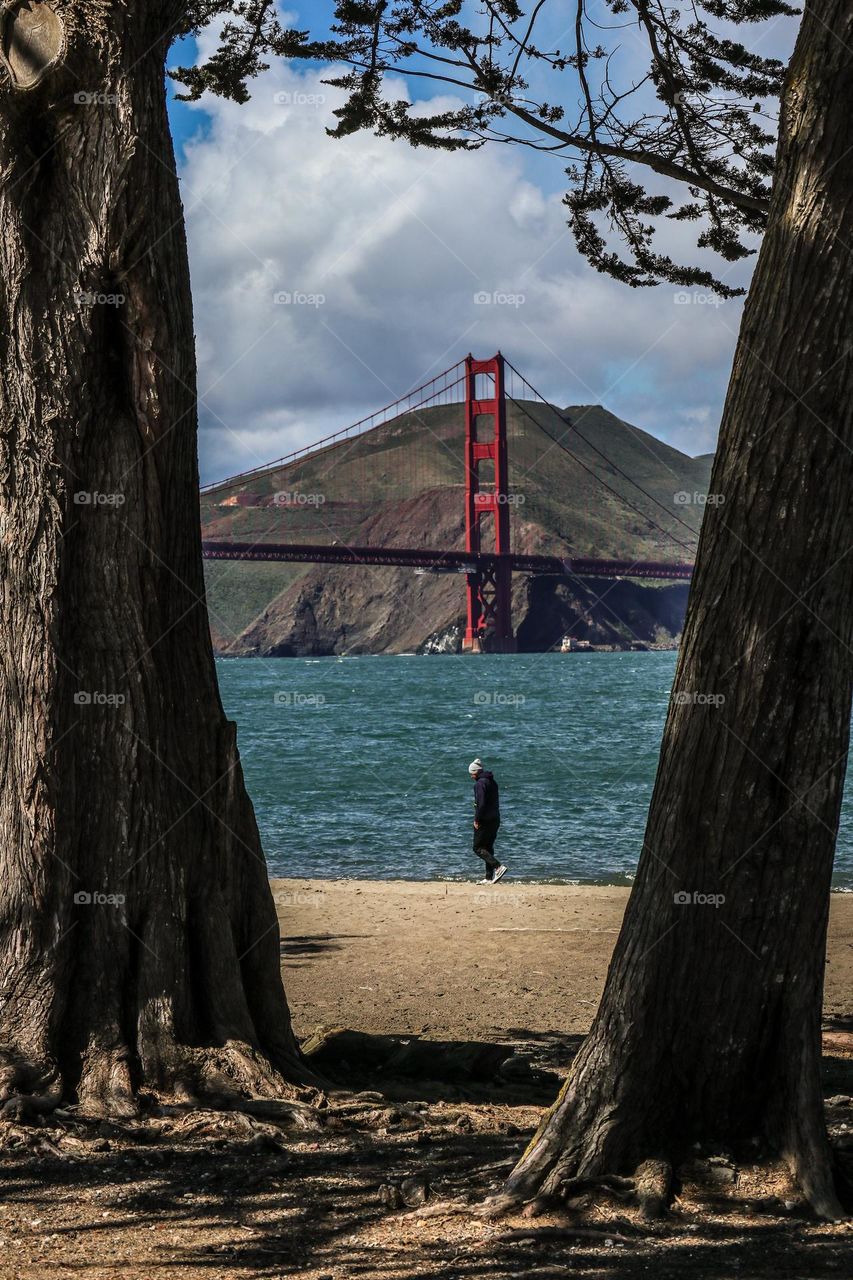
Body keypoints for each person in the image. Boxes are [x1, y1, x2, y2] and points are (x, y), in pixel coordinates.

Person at [468, 758, 507, 884]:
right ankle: (489, 877)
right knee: (488, 847)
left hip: (485, 819)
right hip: (495, 818)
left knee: (477, 847)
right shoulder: (492, 781)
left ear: (476, 772)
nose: (471, 776)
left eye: (472, 773)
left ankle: (498, 867)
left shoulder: (480, 784)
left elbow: (481, 804)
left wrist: (477, 819)